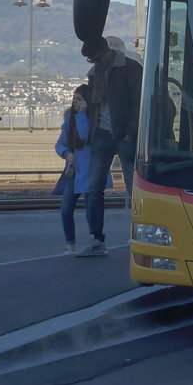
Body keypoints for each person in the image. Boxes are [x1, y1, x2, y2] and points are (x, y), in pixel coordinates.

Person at [78, 36, 143, 257]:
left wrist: (130, 133)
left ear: (106, 52)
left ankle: (138, 235)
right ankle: (96, 239)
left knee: (133, 190)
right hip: (104, 136)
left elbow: (140, 102)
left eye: (95, 58)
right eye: (90, 60)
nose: (93, 63)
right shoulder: (97, 73)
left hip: (122, 136)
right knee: (94, 188)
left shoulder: (131, 68)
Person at [53, 85, 110, 255]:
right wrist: (66, 153)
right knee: (66, 209)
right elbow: (59, 144)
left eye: (79, 99)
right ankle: (70, 243)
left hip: (91, 170)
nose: (75, 102)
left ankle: (94, 240)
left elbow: (85, 135)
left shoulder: (93, 119)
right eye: (74, 99)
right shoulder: (69, 119)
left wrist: (82, 115)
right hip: (74, 170)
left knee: (91, 209)